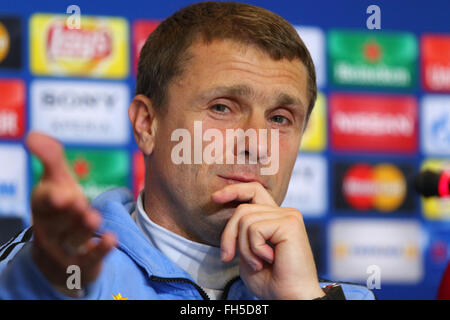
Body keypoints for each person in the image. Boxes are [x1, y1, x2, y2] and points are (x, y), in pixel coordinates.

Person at [0, 1, 374, 300]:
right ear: (147, 124)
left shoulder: (342, 297)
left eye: (279, 118)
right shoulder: (62, 272)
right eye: (222, 108)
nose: (257, 144)